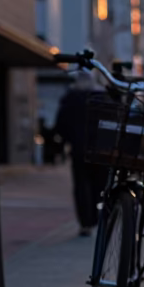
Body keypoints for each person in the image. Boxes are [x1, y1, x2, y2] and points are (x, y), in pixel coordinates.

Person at [54, 71, 107, 234]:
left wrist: (67, 141)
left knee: (81, 186)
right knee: (99, 185)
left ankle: (85, 223)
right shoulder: (102, 99)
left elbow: (60, 125)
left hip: (79, 149)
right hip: (100, 149)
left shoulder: (70, 99)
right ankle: (97, 216)